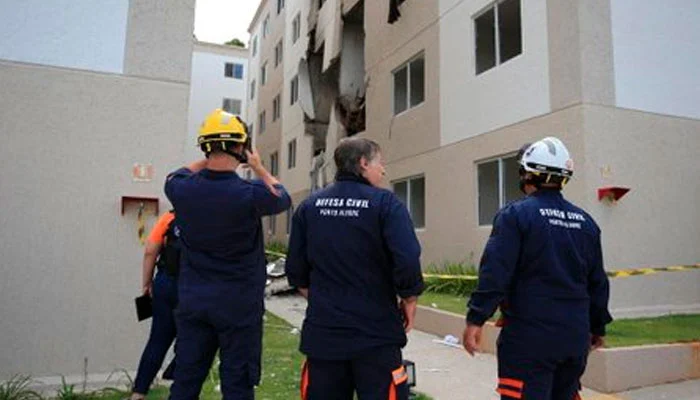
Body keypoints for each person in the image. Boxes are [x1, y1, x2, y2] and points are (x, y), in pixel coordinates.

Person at [463, 137, 613, 400]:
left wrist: (476, 318)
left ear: (526, 174)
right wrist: (598, 327)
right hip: (574, 339)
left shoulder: (515, 216)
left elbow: (495, 273)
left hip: (529, 339)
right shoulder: (587, 223)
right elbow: (597, 282)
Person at [165, 109, 291, 399]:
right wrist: (257, 166)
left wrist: (211, 153)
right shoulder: (251, 193)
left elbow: (177, 173)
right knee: (237, 384)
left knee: (185, 382)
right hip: (239, 306)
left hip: (194, 301)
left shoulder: (181, 189)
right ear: (241, 148)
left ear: (204, 146)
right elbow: (281, 195)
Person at [286, 137, 424, 400]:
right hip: (376, 335)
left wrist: (323, 300)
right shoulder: (386, 204)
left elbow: (296, 269)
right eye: (379, 163)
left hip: (325, 335)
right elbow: (407, 257)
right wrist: (410, 297)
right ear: (363, 163)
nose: (383, 170)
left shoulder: (309, 206)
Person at [131, 210, 180, 400]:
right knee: (191, 342)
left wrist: (146, 283)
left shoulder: (169, 218)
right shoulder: (204, 217)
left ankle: (139, 392)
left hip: (166, 283)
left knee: (157, 340)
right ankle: (179, 388)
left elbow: (150, 251)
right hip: (194, 288)